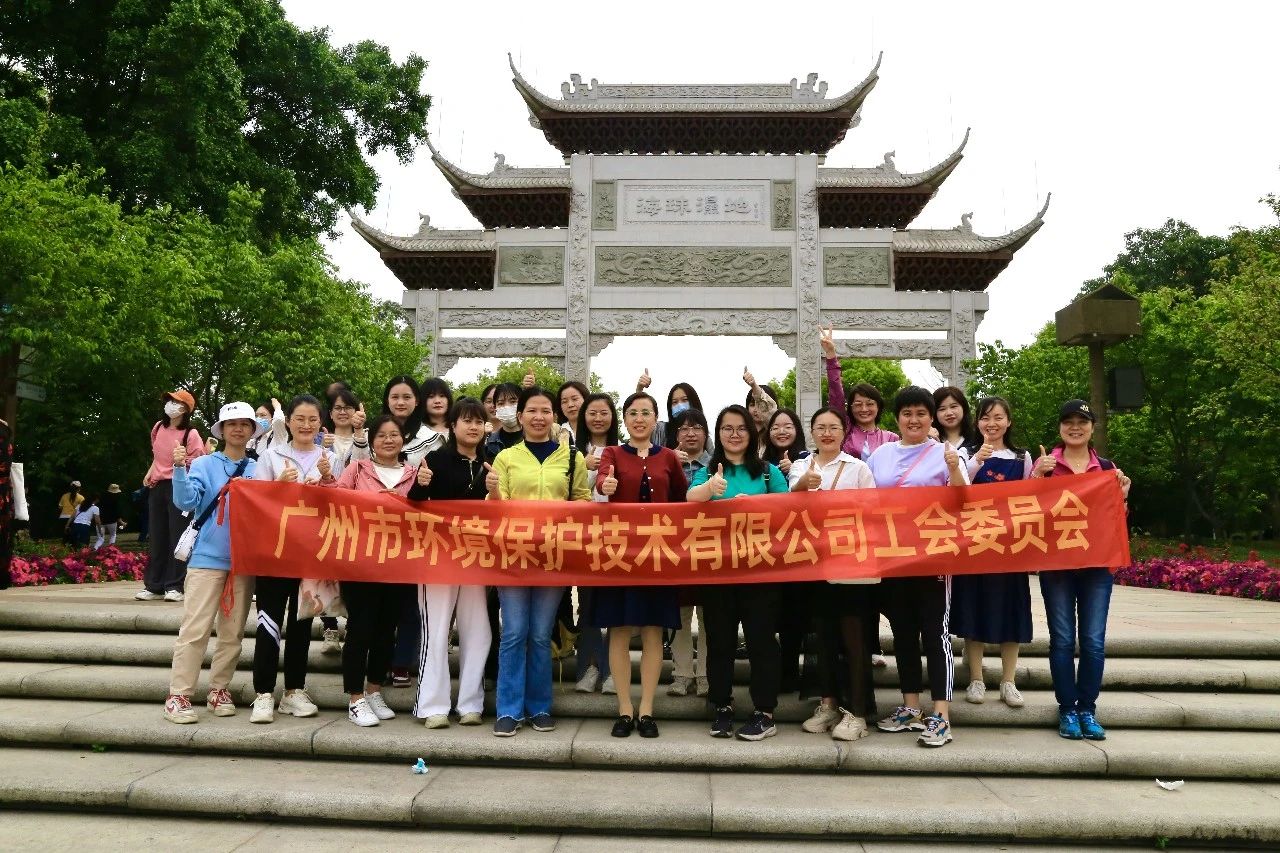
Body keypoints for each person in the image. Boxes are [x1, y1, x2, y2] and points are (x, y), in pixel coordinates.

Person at [486, 386, 591, 737]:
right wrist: (494, 491)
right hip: (513, 556)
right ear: (520, 417)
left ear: (554, 417)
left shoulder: (571, 458)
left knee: (541, 635)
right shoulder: (506, 458)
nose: (538, 417)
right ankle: (508, 709)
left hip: (553, 557)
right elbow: (495, 508)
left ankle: (540, 707)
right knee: (515, 632)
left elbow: (582, 500)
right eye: (532, 410)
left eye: (545, 411)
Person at [867, 386, 968, 748]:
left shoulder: (947, 453)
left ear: (931, 418)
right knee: (903, 632)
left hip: (933, 557)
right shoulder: (880, 455)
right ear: (897, 418)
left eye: (921, 413)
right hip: (893, 557)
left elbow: (964, 499)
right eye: (907, 413)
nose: (914, 420)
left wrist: (954, 469)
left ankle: (941, 715)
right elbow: (865, 501)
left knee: (935, 633)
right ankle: (911, 707)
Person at [688, 405, 789, 741]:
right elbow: (690, 499)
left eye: (741, 428)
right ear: (718, 434)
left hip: (761, 573)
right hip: (719, 572)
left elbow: (789, 511)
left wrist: (756, 506)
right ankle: (722, 706)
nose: (734, 435)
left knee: (762, 641)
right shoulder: (710, 470)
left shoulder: (768, 473)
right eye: (727, 428)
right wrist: (710, 489)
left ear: (753, 433)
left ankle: (765, 711)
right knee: (720, 641)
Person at [591, 392, 687, 739]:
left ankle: (646, 709)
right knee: (618, 629)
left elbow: (682, 500)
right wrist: (606, 485)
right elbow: (602, 481)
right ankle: (624, 709)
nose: (639, 419)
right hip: (620, 554)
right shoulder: (612, 453)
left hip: (658, 555)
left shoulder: (669, 457)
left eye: (646, 412)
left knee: (652, 630)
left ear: (655, 419)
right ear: (625, 419)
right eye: (632, 413)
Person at [1035, 399, 1131, 741]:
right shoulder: (1047, 466)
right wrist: (1037, 477)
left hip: (1096, 567)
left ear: (1092, 428)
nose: (1075, 427)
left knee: (1092, 641)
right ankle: (1067, 709)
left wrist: (1122, 496)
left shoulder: (1105, 468)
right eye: (1068, 422)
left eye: (1082, 421)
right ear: (1060, 427)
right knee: (1062, 640)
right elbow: (1029, 512)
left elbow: (1113, 520)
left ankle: (1087, 709)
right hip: (1057, 567)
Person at [162, 402, 260, 724]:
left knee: (232, 633)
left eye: (244, 424)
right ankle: (178, 695)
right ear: (222, 429)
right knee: (195, 629)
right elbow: (185, 501)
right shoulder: (204, 464)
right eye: (232, 424)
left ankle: (219, 689)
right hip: (206, 560)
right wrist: (179, 468)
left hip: (242, 562)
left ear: (252, 430)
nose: (238, 429)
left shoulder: (258, 468)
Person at [321, 414, 417, 726]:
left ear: (403, 438)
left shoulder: (415, 474)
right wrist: (326, 479)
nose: (389, 440)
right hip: (360, 561)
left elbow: (424, 513)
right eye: (382, 435)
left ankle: (374, 690)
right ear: (372, 441)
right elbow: (337, 500)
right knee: (361, 628)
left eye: (394, 434)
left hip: (399, 564)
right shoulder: (358, 469)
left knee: (386, 630)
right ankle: (355, 698)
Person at [790, 407, 878, 741]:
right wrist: (802, 486)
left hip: (851, 565)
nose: (827, 433)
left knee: (854, 638)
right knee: (822, 637)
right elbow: (786, 508)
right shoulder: (801, 466)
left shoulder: (858, 468)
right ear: (812, 432)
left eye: (833, 428)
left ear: (844, 432)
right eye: (820, 427)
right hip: (813, 564)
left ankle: (857, 712)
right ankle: (827, 703)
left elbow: (873, 512)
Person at [248, 394, 337, 723]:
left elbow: (341, 505)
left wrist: (327, 480)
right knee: (268, 622)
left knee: (301, 623)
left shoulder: (330, 458)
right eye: (300, 418)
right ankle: (263, 693)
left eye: (312, 419)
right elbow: (256, 501)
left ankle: (294, 691)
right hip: (275, 553)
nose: (306, 425)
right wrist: (278, 485)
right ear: (288, 421)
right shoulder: (271, 455)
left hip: (310, 554)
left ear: (320, 423)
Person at [409, 398, 493, 728]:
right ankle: (433, 706)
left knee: (479, 629)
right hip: (438, 557)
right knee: (437, 628)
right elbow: (414, 504)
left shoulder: (490, 463)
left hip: (475, 557)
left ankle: (471, 703)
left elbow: (498, 512)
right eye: (466, 420)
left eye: (478, 421)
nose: (473, 427)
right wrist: (421, 485)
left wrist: (495, 492)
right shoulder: (435, 460)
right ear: (453, 425)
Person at [953, 396, 1034, 709]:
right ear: (977, 423)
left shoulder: (1022, 457)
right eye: (986, 418)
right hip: (975, 546)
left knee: (1011, 611)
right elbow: (957, 489)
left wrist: (1040, 475)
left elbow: (1031, 498)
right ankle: (976, 678)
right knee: (974, 609)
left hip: (1010, 548)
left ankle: (1008, 681)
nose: (992, 423)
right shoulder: (966, 453)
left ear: (1008, 421)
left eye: (999, 417)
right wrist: (976, 461)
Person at [382, 375, 441, 686]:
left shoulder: (433, 439)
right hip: (377, 529)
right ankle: (378, 658)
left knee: (410, 599)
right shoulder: (374, 432)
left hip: (417, 529)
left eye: (407, 396)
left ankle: (403, 661)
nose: (401, 402)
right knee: (380, 599)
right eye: (395, 396)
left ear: (417, 401)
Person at [138, 390, 207, 602]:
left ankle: (175, 586)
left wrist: (183, 472)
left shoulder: (191, 434)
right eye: (169, 400)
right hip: (158, 486)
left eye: (177, 402)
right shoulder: (158, 427)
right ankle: (154, 586)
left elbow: (198, 464)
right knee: (157, 535)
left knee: (177, 536)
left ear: (186, 409)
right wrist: (150, 472)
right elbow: (157, 455)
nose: (171, 404)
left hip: (179, 486)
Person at [573, 393, 621, 695]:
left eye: (604, 413)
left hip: (616, 536)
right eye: (592, 413)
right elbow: (570, 493)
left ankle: (612, 669)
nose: (598, 418)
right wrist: (585, 466)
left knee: (614, 603)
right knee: (588, 602)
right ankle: (589, 667)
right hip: (582, 536)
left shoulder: (623, 451)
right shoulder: (570, 452)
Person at [761, 407, 810, 693]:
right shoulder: (758, 462)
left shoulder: (808, 459)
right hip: (766, 551)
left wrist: (796, 475)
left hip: (797, 551)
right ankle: (770, 673)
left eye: (787, 426)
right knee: (767, 617)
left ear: (797, 430)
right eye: (776, 427)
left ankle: (791, 672)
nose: (781, 431)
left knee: (794, 617)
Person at [667, 408, 711, 697]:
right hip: (675, 550)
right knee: (679, 615)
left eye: (696, 428)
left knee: (709, 616)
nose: (690, 434)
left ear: (706, 434)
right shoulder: (666, 463)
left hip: (709, 549)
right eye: (684, 429)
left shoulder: (717, 464)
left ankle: (706, 674)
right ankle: (681, 674)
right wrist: (669, 463)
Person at [818, 326, 899, 460]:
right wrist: (831, 354)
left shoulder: (892, 438)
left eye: (870, 404)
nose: (864, 409)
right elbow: (836, 394)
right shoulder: (844, 431)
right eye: (858, 404)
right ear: (850, 407)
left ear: (878, 406)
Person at [636, 370, 707, 449]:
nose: (680, 405)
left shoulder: (704, 436)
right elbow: (640, 424)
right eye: (675, 402)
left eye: (684, 400)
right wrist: (639, 390)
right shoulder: (660, 429)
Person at [484, 382, 525, 458]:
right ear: (495, 408)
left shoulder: (534, 438)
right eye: (501, 403)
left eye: (513, 402)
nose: (507, 407)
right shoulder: (489, 443)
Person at [743, 368, 780, 433]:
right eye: (752, 405)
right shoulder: (742, 433)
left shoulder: (777, 432)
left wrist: (753, 385)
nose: (756, 409)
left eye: (760, 404)